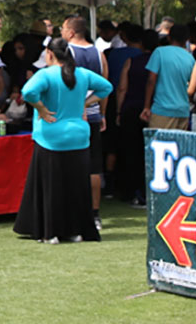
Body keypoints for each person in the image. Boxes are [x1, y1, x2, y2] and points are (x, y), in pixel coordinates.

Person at [12, 38, 112, 244]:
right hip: (78, 137)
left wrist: (40, 108)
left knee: (52, 186)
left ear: (50, 54)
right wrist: (86, 103)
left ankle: (51, 232)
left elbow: (28, 92)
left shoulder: (46, 74)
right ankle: (76, 230)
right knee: (75, 186)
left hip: (51, 137)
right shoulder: (82, 74)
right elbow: (106, 87)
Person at [60, 17, 108, 225]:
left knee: (70, 163)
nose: (61, 32)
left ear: (71, 32)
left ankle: (74, 210)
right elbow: (104, 86)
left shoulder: (68, 52)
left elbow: (65, 85)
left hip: (73, 115)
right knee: (94, 166)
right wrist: (102, 113)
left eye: (63, 28)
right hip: (94, 114)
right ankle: (94, 213)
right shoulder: (99, 53)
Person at [105, 24, 150, 203]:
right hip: (147, 107)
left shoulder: (119, 56)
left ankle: (120, 187)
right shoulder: (151, 59)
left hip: (125, 106)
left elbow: (121, 87)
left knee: (122, 148)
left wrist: (118, 110)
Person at [140, 22, 195, 130]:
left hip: (162, 109)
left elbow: (151, 80)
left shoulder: (159, 52)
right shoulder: (190, 58)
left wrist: (146, 106)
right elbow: (192, 85)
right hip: (183, 111)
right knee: (179, 141)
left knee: (159, 140)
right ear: (186, 40)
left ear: (169, 37)